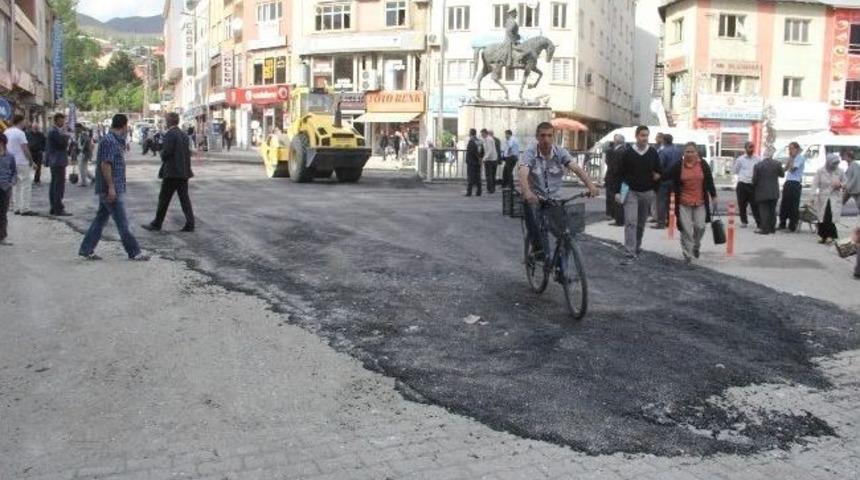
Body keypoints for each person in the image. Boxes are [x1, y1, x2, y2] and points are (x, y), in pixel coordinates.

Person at [519, 122, 599, 257]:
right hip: (535, 197)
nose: (546, 139)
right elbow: (523, 172)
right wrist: (527, 192)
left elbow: (577, 169)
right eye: (542, 136)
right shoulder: (530, 153)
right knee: (534, 220)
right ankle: (538, 249)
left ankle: (562, 268)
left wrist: (591, 186)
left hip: (554, 199)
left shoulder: (560, 152)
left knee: (566, 233)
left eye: (549, 136)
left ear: (554, 137)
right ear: (537, 137)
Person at [78, 114, 149, 262]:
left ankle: (86, 249)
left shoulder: (114, 140)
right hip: (111, 188)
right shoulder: (110, 141)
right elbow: (105, 164)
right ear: (123, 126)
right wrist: (111, 187)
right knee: (123, 221)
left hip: (112, 186)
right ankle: (134, 252)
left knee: (100, 219)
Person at [615, 125, 662, 264]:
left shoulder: (653, 152)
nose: (644, 138)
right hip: (630, 192)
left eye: (646, 135)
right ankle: (630, 251)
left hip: (647, 192)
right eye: (642, 135)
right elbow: (619, 174)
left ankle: (637, 246)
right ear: (636, 136)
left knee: (641, 223)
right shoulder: (627, 153)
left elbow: (659, 171)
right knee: (630, 221)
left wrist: (655, 186)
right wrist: (618, 192)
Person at [143, 112, 195, 233]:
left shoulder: (170, 134)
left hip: (172, 173)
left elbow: (166, 153)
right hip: (183, 172)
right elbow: (187, 153)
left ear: (170, 121)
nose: (165, 122)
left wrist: (161, 152)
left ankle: (157, 223)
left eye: (166, 120)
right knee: (184, 199)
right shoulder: (183, 134)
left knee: (164, 199)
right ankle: (190, 223)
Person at [668, 142, 717, 264]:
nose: (689, 154)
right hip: (683, 202)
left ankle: (696, 245)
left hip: (700, 202)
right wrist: (654, 176)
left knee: (700, 226)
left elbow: (709, 180)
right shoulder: (679, 165)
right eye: (687, 152)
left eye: (692, 151)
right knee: (686, 230)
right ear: (683, 153)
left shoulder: (703, 164)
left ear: (697, 153)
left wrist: (714, 196)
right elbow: (666, 175)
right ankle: (687, 255)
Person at [6, 115, 34, 216]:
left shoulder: (6, 132)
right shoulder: (20, 133)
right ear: (20, 121)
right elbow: (25, 148)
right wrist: (31, 160)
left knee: (15, 185)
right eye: (24, 121)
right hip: (22, 162)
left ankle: (16, 207)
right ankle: (25, 208)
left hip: (11, 162)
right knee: (26, 185)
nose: (25, 123)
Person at [813, 154, 844, 245]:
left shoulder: (840, 171)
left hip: (834, 197)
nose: (834, 165)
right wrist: (812, 196)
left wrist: (840, 185)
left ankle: (830, 236)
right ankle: (823, 236)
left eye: (836, 163)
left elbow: (846, 182)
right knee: (822, 218)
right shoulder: (820, 171)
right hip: (823, 197)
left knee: (829, 217)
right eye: (833, 163)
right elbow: (815, 184)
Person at [45, 113, 71, 216]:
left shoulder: (53, 131)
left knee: (54, 185)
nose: (63, 123)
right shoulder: (54, 132)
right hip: (57, 161)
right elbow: (62, 144)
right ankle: (58, 208)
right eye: (61, 121)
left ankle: (54, 207)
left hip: (55, 161)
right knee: (58, 186)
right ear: (57, 121)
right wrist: (65, 135)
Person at [752, 154, 784, 235]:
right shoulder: (777, 164)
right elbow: (782, 175)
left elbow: (754, 180)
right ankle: (772, 228)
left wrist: (754, 187)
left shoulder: (758, 165)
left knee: (764, 211)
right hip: (774, 191)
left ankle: (765, 229)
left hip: (762, 191)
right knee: (772, 210)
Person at [654, 134, 681, 229]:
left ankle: (661, 222)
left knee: (661, 201)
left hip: (664, 180)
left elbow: (660, 166)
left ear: (664, 141)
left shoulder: (663, 152)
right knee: (672, 202)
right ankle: (671, 221)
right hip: (675, 180)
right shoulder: (678, 151)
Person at [733, 142, 761, 229]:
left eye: (752, 147)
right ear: (745, 148)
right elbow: (735, 171)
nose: (751, 149)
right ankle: (744, 221)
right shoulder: (740, 159)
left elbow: (760, 171)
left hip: (753, 185)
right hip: (742, 184)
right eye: (749, 147)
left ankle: (758, 222)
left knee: (755, 204)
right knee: (742, 204)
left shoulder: (758, 159)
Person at [779, 141, 806, 232]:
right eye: (789, 149)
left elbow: (793, 169)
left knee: (793, 205)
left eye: (791, 149)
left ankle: (792, 226)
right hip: (788, 182)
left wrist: (791, 159)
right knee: (784, 203)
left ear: (797, 149)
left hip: (795, 183)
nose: (790, 151)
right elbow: (785, 169)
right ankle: (782, 223)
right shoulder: (791, 158)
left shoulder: (800, 158)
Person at [604, 134, 626, 226]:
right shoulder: (624, 150)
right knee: (619, 198)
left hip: (615, 178)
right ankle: (618, 217)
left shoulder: (618, 152)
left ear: (616, 141)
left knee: (617, 199)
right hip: (620, 178)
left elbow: (615, 167)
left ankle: (619, 219)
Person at [0, 133, 16, 245]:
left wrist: (11, 182)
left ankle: (2, 237)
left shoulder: (10, 156)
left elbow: (14, 171)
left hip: (5, 187)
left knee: (3, 213)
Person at [465, 129, 482, 197]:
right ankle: (479, 191)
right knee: (478, 177)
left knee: (470, 177)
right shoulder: (479, 141)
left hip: (471, 162)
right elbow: (481, 151)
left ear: (471, 133)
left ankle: (469, 192)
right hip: (477, 162)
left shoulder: (471, 142)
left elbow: (471, 152)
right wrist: (480, 158)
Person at [482, 129, 500, 194]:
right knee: (492, 175)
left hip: (490, 160)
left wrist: (484, 158)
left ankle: (490, 189)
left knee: (489, 175)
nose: (481, 135)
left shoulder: (488, 139)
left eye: (482, 134)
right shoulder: (488, 139)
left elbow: (489, 150)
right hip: (493, 159)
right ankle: (492, 189)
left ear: (485, 133)